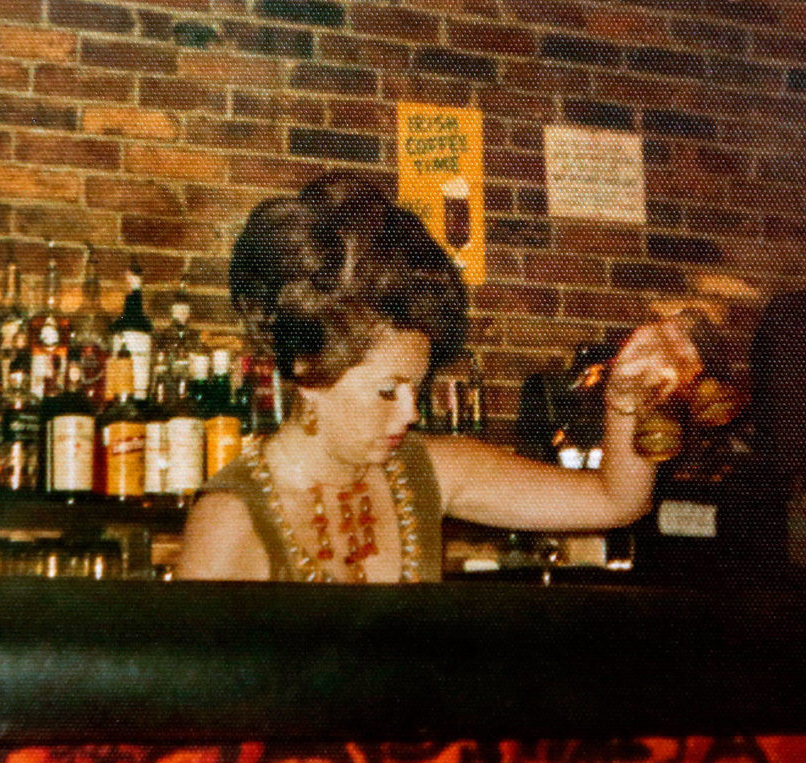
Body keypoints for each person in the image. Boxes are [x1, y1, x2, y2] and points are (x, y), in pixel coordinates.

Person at [176, 172, 700, 583]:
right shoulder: (230, 520)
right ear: (308, 372)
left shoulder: (424, 470)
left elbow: (618, 500)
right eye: (388, 390)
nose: (410, 412)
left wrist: (625, 401)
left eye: (416, 388)